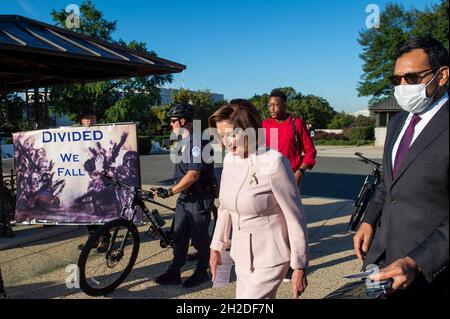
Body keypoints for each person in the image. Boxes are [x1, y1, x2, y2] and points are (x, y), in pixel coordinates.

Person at [353, 36, 449, 300]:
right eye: (397, 80)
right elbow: (388, 181)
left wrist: (418, 261)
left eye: (412, 78)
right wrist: (369, 219)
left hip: (429, 272)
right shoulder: (397, 123)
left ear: (442, 75)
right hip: (383, 257)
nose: (403, 86)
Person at [209, 99, 309, 299]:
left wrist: (299, 265)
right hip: (241, 256)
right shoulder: (229, 159)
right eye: (221, 135)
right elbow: (225, 207)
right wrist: (216, 246)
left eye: (231, 135)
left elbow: (294, 216)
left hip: (271, 257)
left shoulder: (275, 161)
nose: (226, 142)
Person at [152, 103, 215, 288]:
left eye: (173, 121)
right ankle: (174, 272)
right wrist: (170, 188)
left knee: (199, 237)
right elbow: (182, 172)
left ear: (183, 121)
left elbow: (193, 174)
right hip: (185, 197)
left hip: (199, 197)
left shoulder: (198, 142)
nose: (171, 125)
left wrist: (170, 191)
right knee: (178, 234)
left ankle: (202, 271)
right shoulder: (183, 141)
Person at [262, 90, 316, 186]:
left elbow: (310, 151)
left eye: (275, 105)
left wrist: (299, 172)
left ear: (285, 105)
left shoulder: (297, 123)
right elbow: (259, 152)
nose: (272, 109)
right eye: (270, 105)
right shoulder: (265, 125)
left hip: (290, 177)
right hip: (268, 178)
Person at [76, 112, 111, 253]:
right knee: (89, 209)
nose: (89, 120)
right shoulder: (74, 135)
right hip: (84, 177)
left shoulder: (105, 132)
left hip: (102, 179)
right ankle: (93, 238)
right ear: (81, 120)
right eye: (86, 117)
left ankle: (105, 239)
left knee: (101, 208)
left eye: (92, 117)